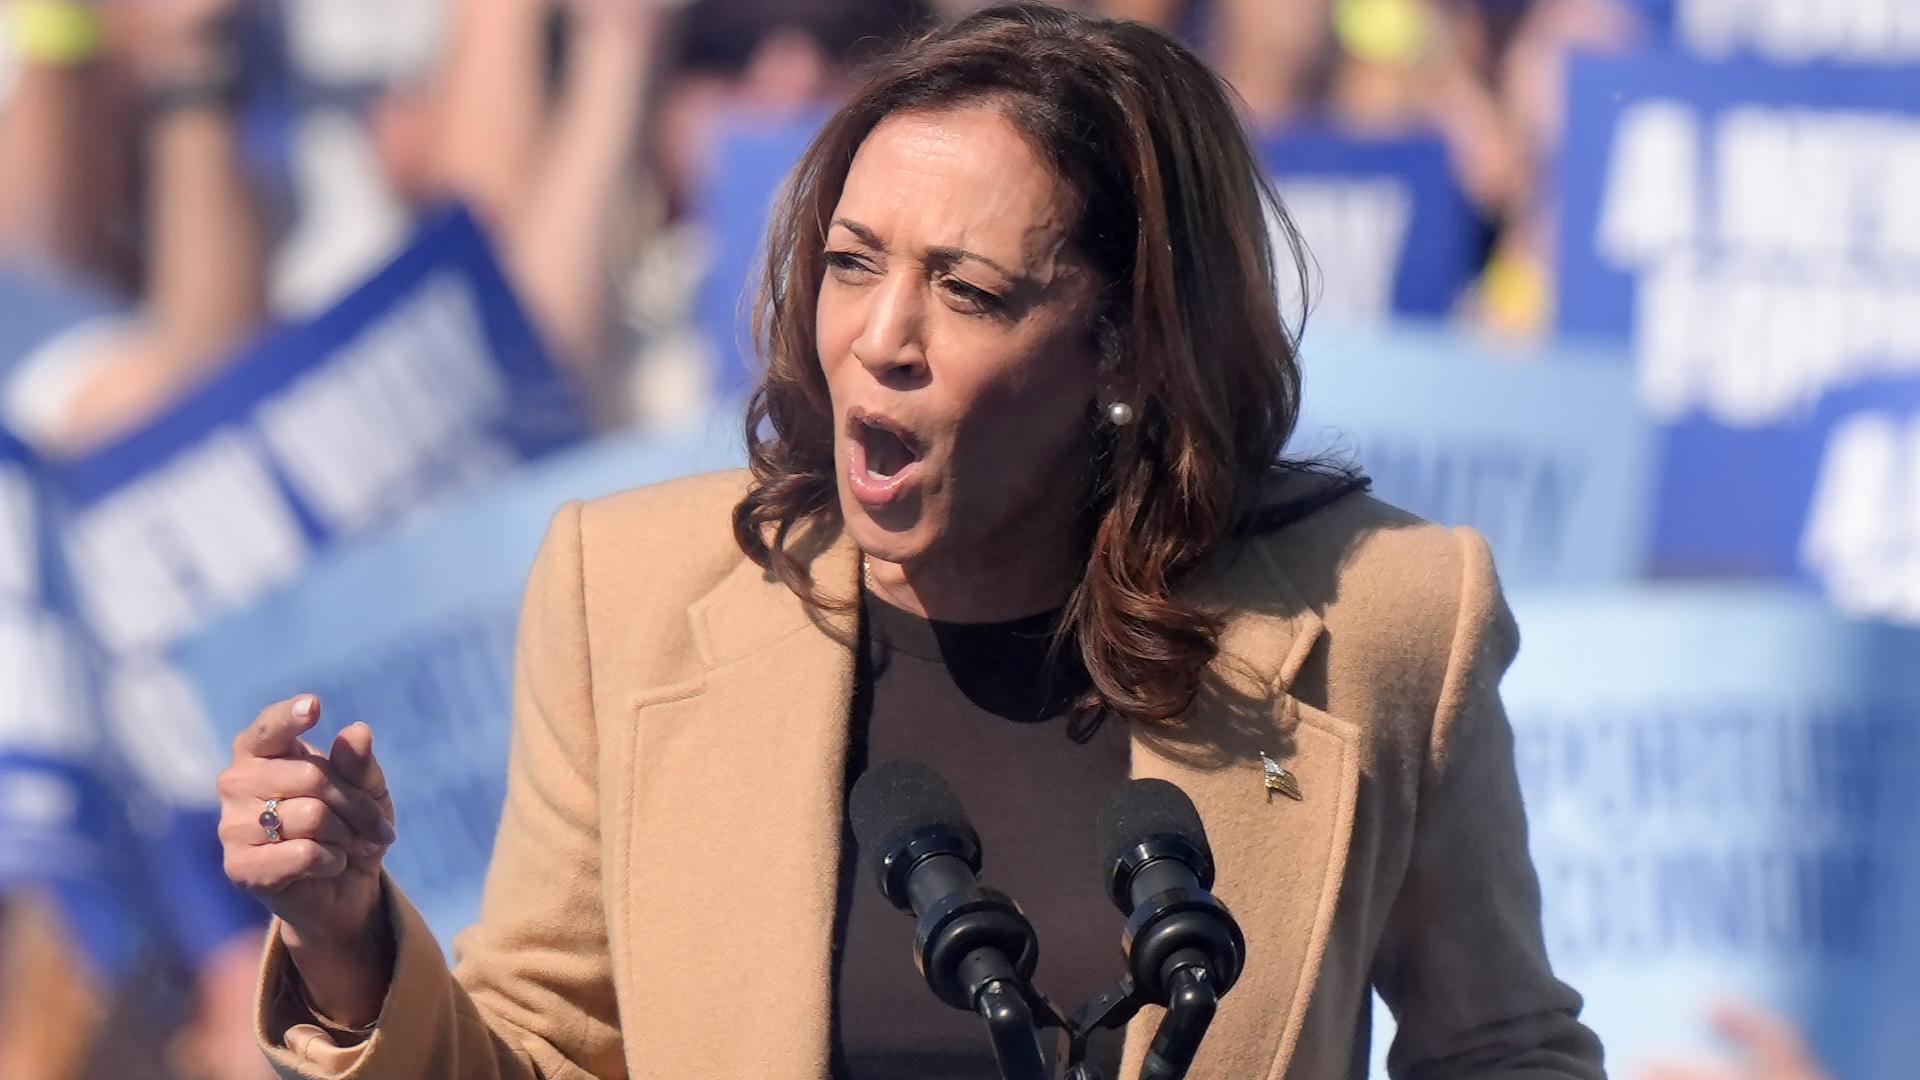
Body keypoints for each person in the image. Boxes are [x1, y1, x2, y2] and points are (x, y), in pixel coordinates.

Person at [217, 4, 1606, 1077]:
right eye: (851, 263)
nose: (879, 342)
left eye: (969, 289)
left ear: (1123, 338)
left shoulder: (1384, 625)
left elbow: (1502, 1052)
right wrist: (347, 943)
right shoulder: (628, 595)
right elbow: (550, 1054)